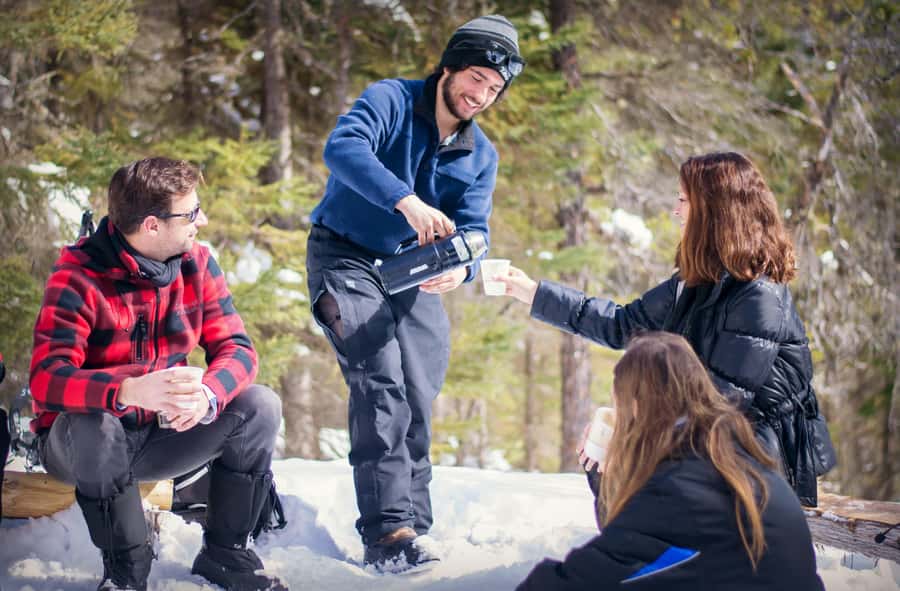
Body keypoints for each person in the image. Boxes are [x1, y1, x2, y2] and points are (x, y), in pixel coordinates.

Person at [305, 14, 524, 573]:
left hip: (414, 272)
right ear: (450, 66)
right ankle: (387, 534)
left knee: (418, 392)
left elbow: (475, 229)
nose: (482, 94)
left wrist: (463, 269)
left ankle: (415, 530)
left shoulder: (482, 156)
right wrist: (405, 200)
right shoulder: (391, 100)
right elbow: (342, 148)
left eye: (494, 89)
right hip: (345, 255)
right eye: (476, 77)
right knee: (380, 384)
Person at [495, 151, 836, 507]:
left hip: (762, 446)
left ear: (714, 210)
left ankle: (657, 554)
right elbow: (621, 325)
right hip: (718, 430)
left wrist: (638, 437)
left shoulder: (759, 296)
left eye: (684, 201)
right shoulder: (697, 279)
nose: (676, 211)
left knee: (627, 461)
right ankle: (643, 556)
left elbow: (723, 400)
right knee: (606, 450)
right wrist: (533, 293)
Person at [29, 157, 286, 591]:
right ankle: (126, 574)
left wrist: (208, 393)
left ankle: (225, 553)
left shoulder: (197, 264)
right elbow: (47, 379)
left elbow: (237, 350)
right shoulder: (78, 276)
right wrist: (127, 390)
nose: (200, 221)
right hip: (81, 446)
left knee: (260, 405)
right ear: (151, 225)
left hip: (158, 437)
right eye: (190, 214)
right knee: (96, 424)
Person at [517, 332, 825, 590]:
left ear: (637, 407)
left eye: (619, 403)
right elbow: (635, 548)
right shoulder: (730, 455)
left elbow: (583, 580)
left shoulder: (680, 489)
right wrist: (606, 475)